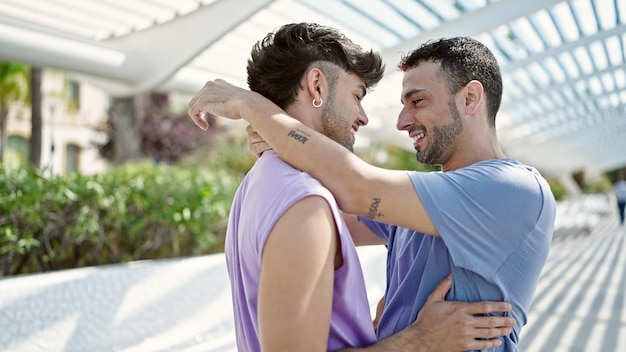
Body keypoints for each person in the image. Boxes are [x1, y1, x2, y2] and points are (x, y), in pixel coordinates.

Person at [188, 36, 557, 351]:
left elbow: (354, 186)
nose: (401, 121)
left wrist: (251, 108)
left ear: (470, 98)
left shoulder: (514, 189)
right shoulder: (416, 202)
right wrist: (278, 138)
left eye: (417, 101)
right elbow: (332, 200)